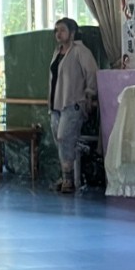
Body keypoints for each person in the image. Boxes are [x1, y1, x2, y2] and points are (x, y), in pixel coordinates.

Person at [48, 18, 99, 195]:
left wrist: (90, 93)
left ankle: (68, 179)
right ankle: (65, 176)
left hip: (73, 102)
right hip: (56, 103)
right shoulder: (57, 52)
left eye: (62, 30)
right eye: (56, 30)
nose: (58, 34)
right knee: (59, 139)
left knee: (64, 137)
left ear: (72, 32)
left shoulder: (80, 51)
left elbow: (92, 72)